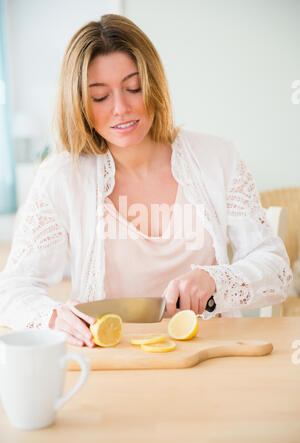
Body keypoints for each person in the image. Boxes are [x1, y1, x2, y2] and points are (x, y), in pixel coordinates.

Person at [0, 14, 292, 347]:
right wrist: (52, 316)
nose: (121, 108)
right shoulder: (61, 178)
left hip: (210, 354)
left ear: (153, 84)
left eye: (133, 88)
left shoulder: (217, 157)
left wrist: (215, 282)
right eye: (100, 97)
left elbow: (276, 270)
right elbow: (12, 289)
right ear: (79, 104)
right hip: (109, 359)